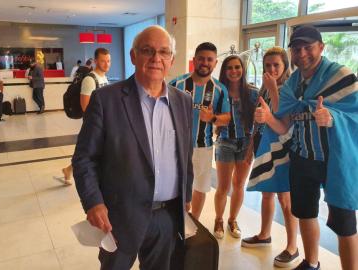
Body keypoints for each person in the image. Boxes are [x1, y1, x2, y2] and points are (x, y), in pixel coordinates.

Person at [72, 25, 193, 270]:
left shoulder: (183, 101)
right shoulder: (106, 100)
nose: (156, 58)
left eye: (163, 52)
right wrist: (94, 202)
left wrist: (186, 198)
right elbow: (84, 158)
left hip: (167, 215)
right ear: (133, 56)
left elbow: (184, 155)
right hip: (119, 216)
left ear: (171, 59)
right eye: (147, 50)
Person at [254, 25, 357, 270]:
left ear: (321, 47)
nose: (302, 54)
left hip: (336, 159)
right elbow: (284, 126)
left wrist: (332, 118)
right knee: (305, 212)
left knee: (344, 221)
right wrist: (269, 118)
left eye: (308, 48)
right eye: (297, 49)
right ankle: (311, 262)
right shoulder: (292, 84)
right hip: (303, 157)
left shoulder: (341, 76)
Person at [242, 47, 299, 268]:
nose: (272, 69)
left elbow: (282, 123)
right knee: (267, 194)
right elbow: (261, 119)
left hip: (283, 148)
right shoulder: (265, 87)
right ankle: (264, 234)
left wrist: (273, 89)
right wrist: (250, 147)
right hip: (265, 145)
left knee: (285, 199)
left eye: (276, 65)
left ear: (285, 65)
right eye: (268, 65)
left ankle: (292, 246)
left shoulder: (289, 88)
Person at [169, 42, 231, 220]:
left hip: (203, 147)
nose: (205, 63)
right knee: (175, 184)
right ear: (194, 60)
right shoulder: (177, 84)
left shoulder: (219, 89)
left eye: (209, 59)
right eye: (201, 59)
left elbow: (226, 117)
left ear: (215, 63)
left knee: (200, 187)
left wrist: (212, 118)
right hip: (176, 146)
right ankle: (176, 221)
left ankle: (193, 222)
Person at [214, 55, 258, 239]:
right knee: (223, 186)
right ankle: (219, 220)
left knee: (239, 185)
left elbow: (258, 122)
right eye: (229, 68)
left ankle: (232, 219)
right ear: (224, 71)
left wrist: (252, 147)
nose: (234, 71)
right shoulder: (219, 92)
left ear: (243, 69)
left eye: (237, 67)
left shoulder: (253, 93)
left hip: (246, 143)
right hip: (225, 142)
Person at [62, 49, 111, 184]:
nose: (107, 64)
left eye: (108, 61)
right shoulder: (90, 79)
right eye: (103, 61)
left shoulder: (104, 78)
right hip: (93, 123)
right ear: (95, 61)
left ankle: (69, 170)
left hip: (102, 122)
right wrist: (98, 123)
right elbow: (85, 107)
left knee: (88, 151)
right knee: (86, 151)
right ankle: (73, 171)